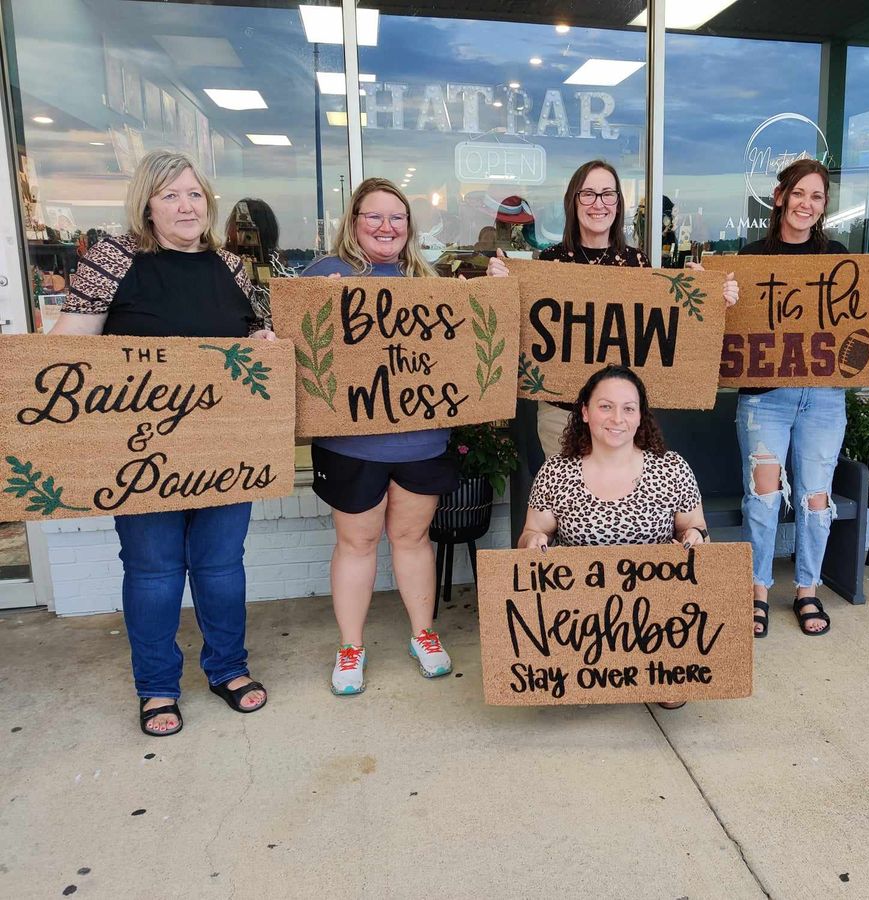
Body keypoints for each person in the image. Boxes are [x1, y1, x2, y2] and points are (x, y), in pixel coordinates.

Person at [51, 149, 273, 736]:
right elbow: (66, 348)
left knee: (222, 566)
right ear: (147, 204)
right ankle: (156, 686)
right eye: (171, 194)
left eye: (195, 194)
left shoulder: (230, 266)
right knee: (153, 571)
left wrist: (269, 347)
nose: (185, 205)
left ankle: (227, 668)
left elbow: (259, 342)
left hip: (225, 448)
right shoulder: (113, 259)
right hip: (140, 453)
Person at [738, 158, 869, 639]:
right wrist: (715, 289)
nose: (806, 204)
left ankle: (807, 588)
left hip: (823, 397)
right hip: (765, 397)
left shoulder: (839, 257)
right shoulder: (751, 256)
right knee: (762, 497)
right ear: (780, 197)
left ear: (824, 206)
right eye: (798, 193)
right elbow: (731, 320)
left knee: (815, 499)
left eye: (817, 197)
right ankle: (757, 590)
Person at [303, 177, 458, 694]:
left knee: (413, 539)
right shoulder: (324, 277)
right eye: (374, 216)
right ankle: (351, 647)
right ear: (354, 222)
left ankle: (424, 634)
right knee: (357, 541)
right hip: (351, 445)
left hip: (421, 439)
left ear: (409, 227)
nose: (386, 226)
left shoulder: (427, 280)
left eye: (397, 217)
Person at [487, 160, 737, 460]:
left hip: (621, 415)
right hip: (561, 412)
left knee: (617, 497)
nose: (598, 204)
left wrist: (710, 296)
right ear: (573, 201)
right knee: (570, 499)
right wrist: (500, 287)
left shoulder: (637, 263)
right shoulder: (549, 262)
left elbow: (663, 327)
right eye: (588, 194)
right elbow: (519, 325)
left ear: (618, 204)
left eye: (608, 194)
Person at [517, 365, 709, 710]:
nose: (617, 418)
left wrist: (694, 536)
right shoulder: (557, 471)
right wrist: (533, 541)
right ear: (586, 413)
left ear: (640, 417)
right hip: (579, 613)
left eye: (628, 408)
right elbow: (534, 531)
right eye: (605, 406)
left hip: (655, 609)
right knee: (571, 693)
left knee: (673, 694)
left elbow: (694, 526)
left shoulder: (672, 468)